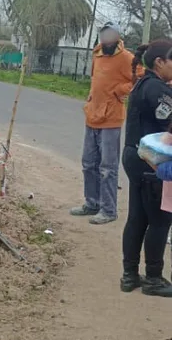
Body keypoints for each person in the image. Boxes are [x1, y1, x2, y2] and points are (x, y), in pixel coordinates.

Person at [118, 39, 172, 297]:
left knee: (138, 217)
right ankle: (153, 278)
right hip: (153, 161)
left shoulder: (143, 83)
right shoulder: (159, 90)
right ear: (160, 62)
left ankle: (129, 275)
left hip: (133, 155)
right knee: (160, 221)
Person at [74, 23, 140, 225]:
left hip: (111, 119)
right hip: (92, 115)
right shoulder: (97, 54)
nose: (107, 40)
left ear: (118, 38)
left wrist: (120, 91)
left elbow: (140, 78)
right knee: (88, 163)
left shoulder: (127, 57)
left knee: (108, 167)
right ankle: (92, 203)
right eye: (104, 36)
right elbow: (96, 80)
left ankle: (109, 210)